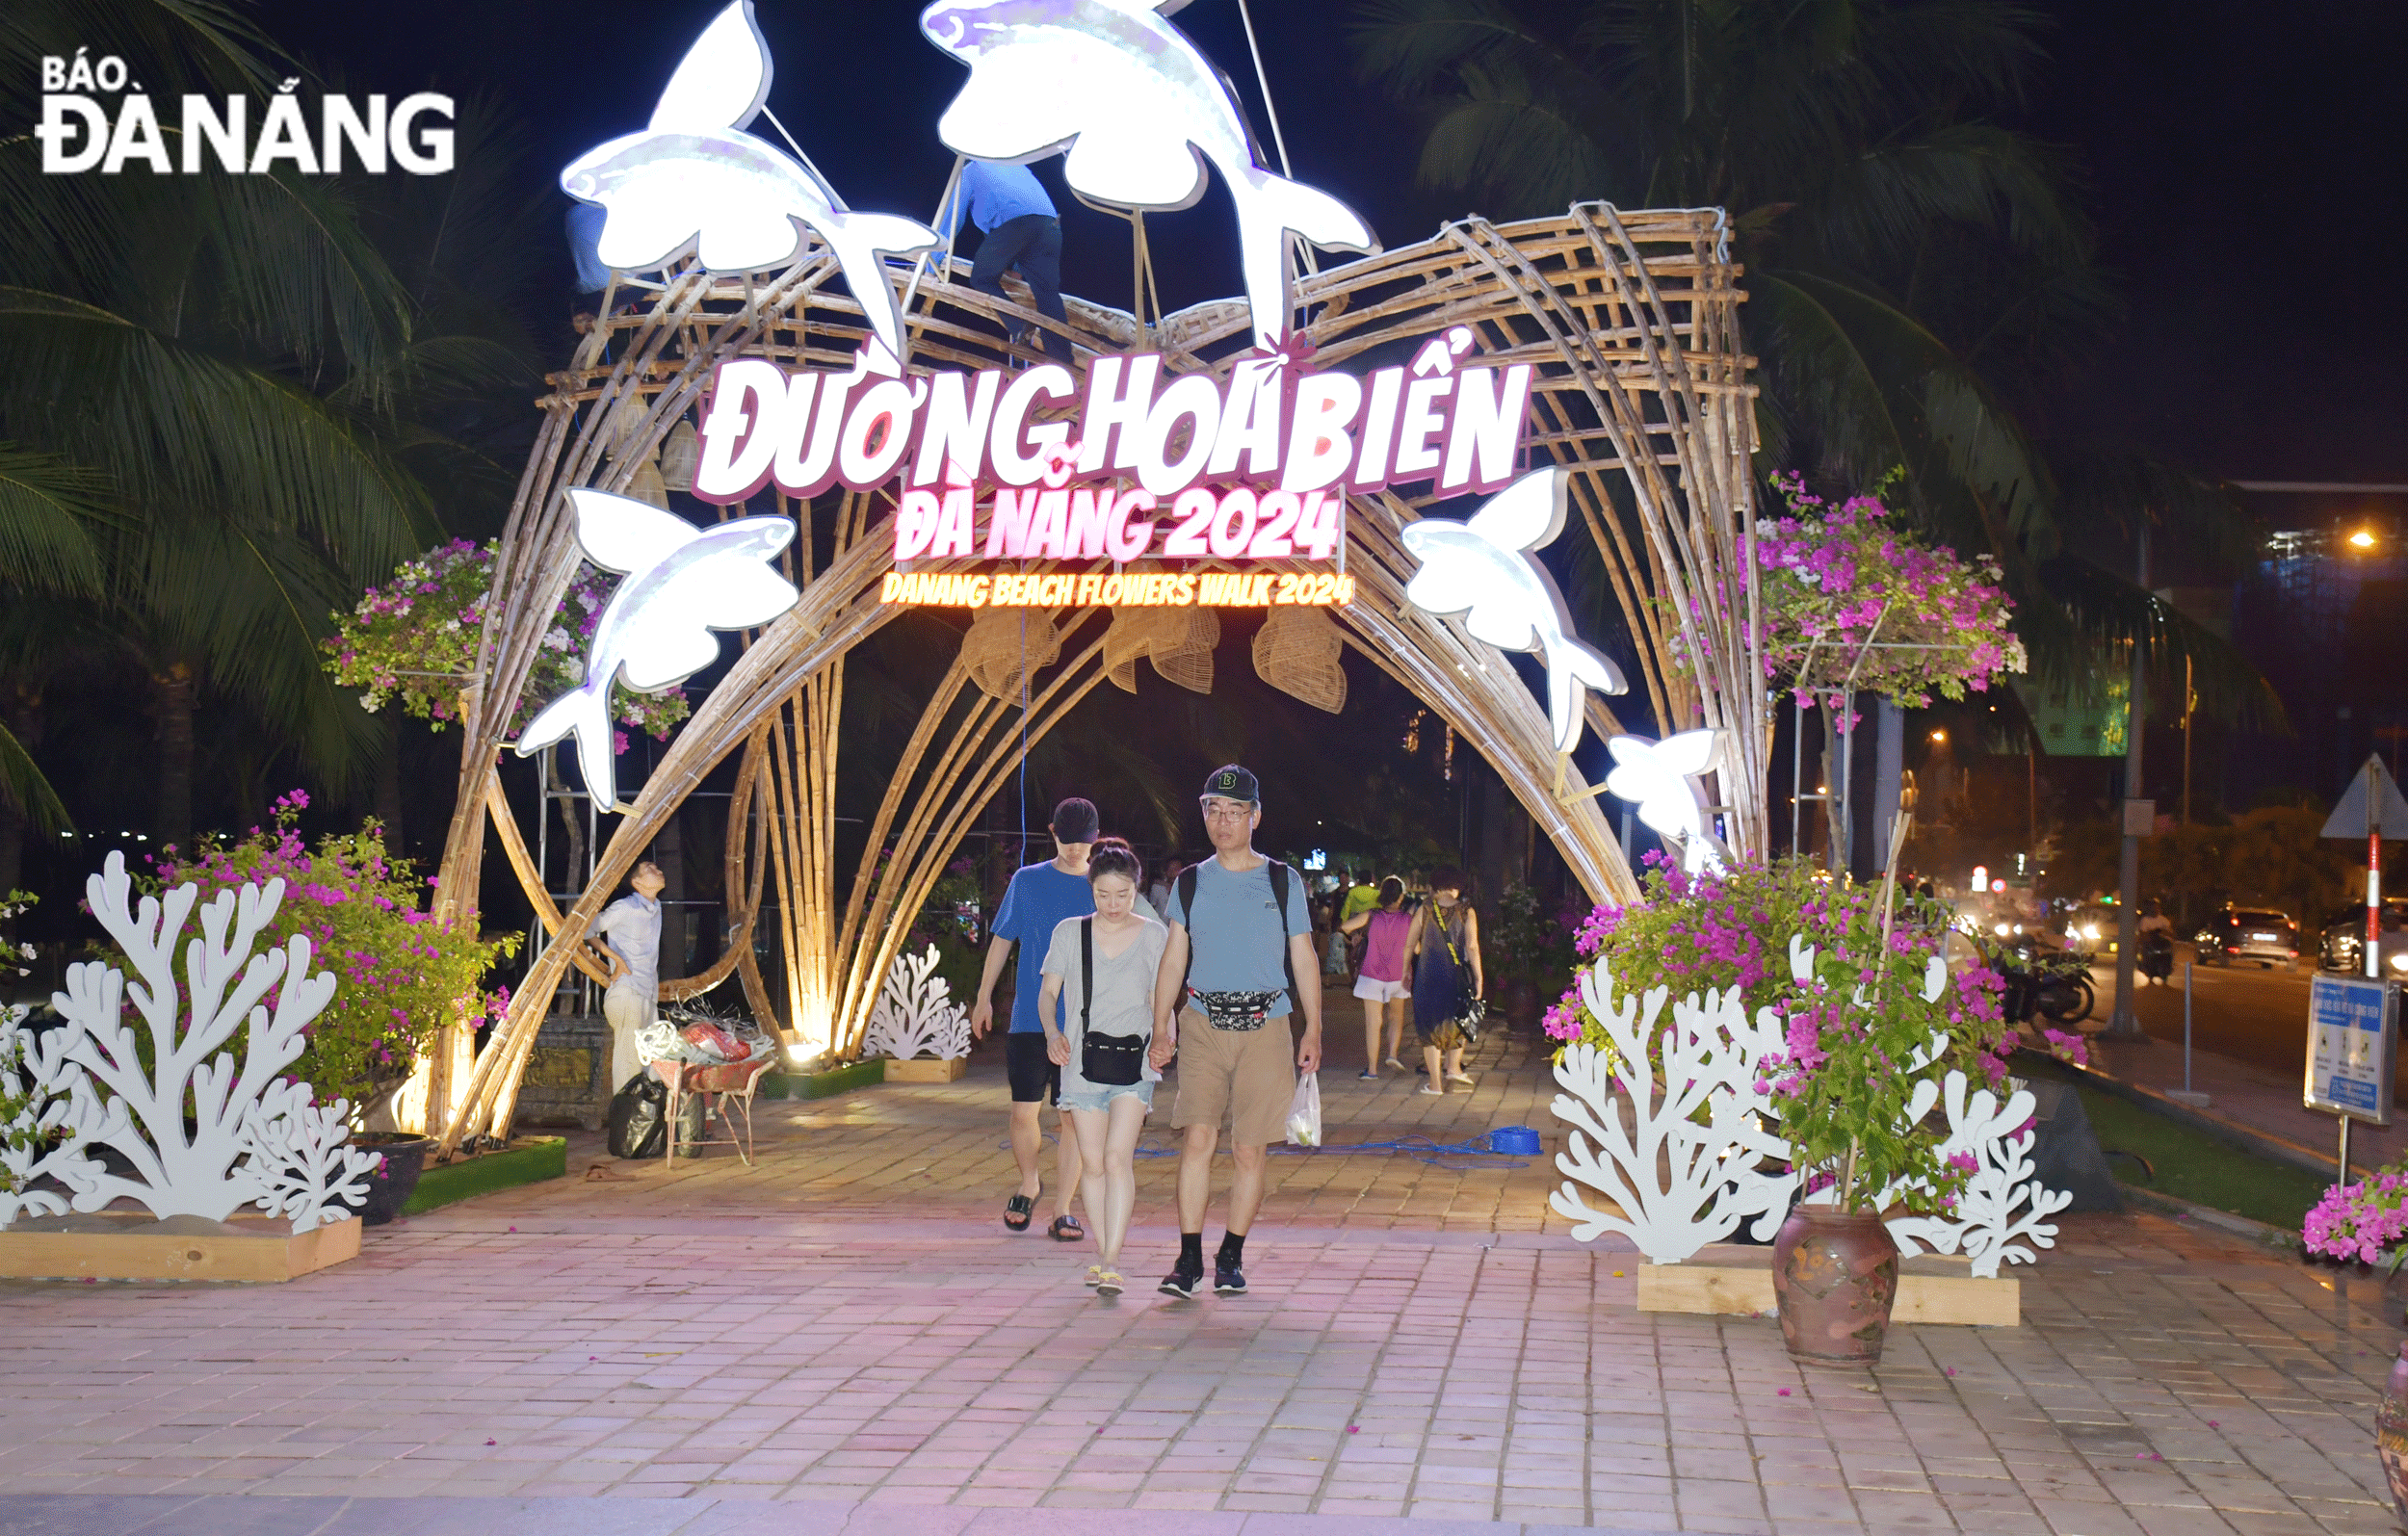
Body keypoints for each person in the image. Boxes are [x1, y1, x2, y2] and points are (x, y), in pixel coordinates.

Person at [1149, 765, 1322, 1298]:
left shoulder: (1281, 880)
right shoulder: (1191, 881)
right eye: (1214, 811)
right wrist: (1161, 1024)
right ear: (1204, 814)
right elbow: (1174, 955)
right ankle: (1188, 1258)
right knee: (1197, 1138)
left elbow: (1304, 954)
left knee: (1250, 1149)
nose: (1224, 822)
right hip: (1202, 1023)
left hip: (1266, 1026)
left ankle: (1231, 1255)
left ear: (1255, 816)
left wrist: (1313, 1027)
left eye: (1235, 811)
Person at [1036, 839, 1167, 1296]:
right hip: (1081, 1062)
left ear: (1137, 891)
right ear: (1091, 889)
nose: (1113, 905)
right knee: (1091, 1163)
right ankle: (1101, 1252)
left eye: (1123, 895)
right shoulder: (1070, 933)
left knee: (1117, 1158)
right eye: (1103, 895)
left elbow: (1161, 999)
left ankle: (1112, 1258)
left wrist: (1165, 1037)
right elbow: (1048, 994)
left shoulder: (1155, 936)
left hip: (1137, 1061)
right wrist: (1053, 1034)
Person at [972, 798, 1098, 1239]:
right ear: (1052, 833)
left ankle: (1063, 1208)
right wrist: (983, 996)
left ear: (1095, 840)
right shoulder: (1027, 881)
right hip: (1030, 1016)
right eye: (1066, 842)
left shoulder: (1103, 886)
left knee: (1071, 1117)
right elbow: (1003, 940)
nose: (1074, 851)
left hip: (1082, 1022)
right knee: (1024, 1110)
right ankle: (1029, 1181)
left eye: (1082, 844)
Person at [942, 160, 1073, 364]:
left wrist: (930, 260)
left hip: (1016, 224)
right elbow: (1024, 224)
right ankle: (1062, 360)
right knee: (1047, 294)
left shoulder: (969, 171)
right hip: (1050, 225)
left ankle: (1020, 325)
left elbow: (951, 221)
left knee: (981, 278)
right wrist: (1014, 268)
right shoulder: (1014, 165)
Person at [1406, 867, 1483, 1095]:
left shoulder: (1425, 909)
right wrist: (1479, 977)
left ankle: (1435, 1084)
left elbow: (1410, 943)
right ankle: (1453, 1067)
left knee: (1428, 1025)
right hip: (1455, 977)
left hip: (1427, 976)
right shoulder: (1467, 911)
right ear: (1456, 887)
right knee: (1459, 1019)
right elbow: (1472, 946)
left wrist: (1404, 971)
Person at [595, 861, 667, 1091]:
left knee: (652, 1064)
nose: (659, 871)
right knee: (628, 1066)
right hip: (627, 992)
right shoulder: (625, 907)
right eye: (650, 869)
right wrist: (616, 959)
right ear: (637, 882)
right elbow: (587, 929)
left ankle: (647, 1121)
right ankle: (625, 1122)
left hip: (647, 993)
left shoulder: (657, 907)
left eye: (657, 867)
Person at [1339, 877, 1412, 1078]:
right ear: (1401, 897)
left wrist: (1357, 935)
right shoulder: (1408, 919)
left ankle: (1371, 1070)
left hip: (1371, 974)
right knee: (1396, 1017)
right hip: (1398, 975)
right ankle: (1393, 1054)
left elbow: (1345, 926)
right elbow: (1418, 947)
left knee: (1373, 1022)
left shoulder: (1371, 916)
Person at [1147, 856, 1186, 921]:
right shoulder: (1158, 887)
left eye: (1176, 869)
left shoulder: (1189, 889)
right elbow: (1151, 907)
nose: (1172, 872)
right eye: (1169, 869)